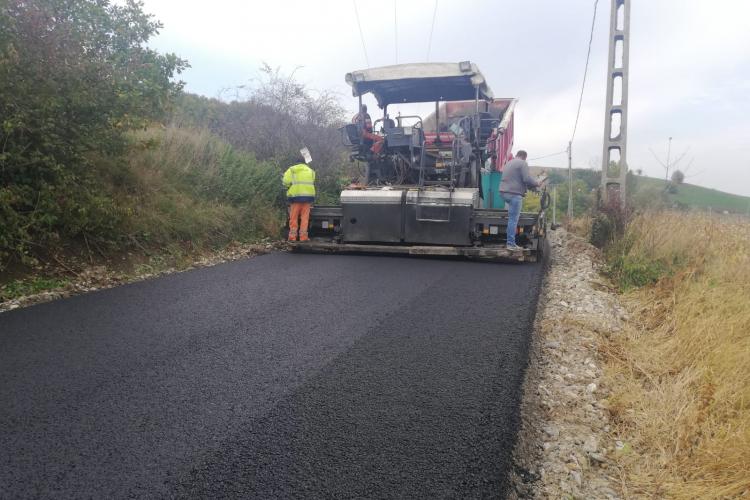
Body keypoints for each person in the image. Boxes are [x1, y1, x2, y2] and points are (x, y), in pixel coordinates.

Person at [498, 150, 541, 251]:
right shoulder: (523, 163)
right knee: (513, 219)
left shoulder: (508, 163)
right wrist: (536, 183)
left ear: (517, 155)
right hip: (514, 194)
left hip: (503, 193)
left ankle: (510, 242)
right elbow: (526, 178)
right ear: (524, 157)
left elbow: (516, 179)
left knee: (511, 216)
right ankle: (510, 244)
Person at [282, 153, 316, 242]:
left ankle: (292, 237)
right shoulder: (311, 171)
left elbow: (285, 182)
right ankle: (303, 237)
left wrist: (288, 187)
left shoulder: (292, 170)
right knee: (305, 218)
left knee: (293, 218)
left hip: (295, 198)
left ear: (296, 162)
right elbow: (312, 181)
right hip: (307, 199)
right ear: (305, 162)